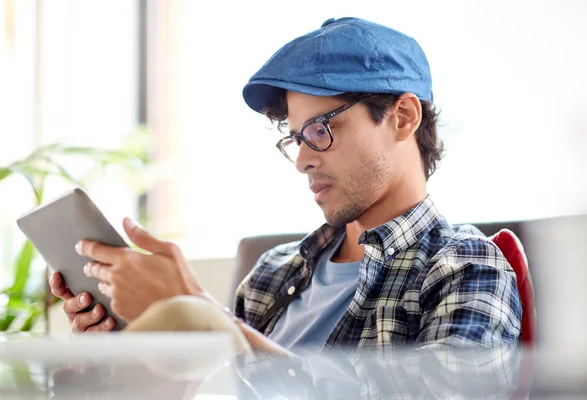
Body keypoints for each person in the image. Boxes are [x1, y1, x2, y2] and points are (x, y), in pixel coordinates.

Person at [50, 17, 521, 352]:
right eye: (295, 138)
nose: (301, 160)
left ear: (402, 116)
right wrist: (118, 354)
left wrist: (202, 320)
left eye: (320, 130)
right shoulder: (269, 276)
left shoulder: (465, 266)